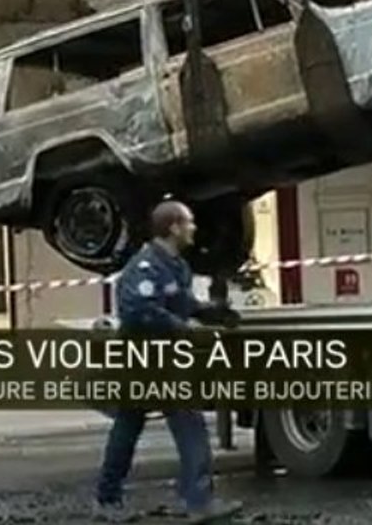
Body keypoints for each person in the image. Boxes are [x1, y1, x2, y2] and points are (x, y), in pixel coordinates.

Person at [93, 200, 243, 523]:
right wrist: (182, 328)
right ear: (173, 227)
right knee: (184, 425)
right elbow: (139, 310)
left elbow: (181, 301)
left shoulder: (175, 266)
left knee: (132, 426)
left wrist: (209, 311)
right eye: (188, 222)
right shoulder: (146, 267)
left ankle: (108, 499)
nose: (194, 228)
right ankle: (197, 501)